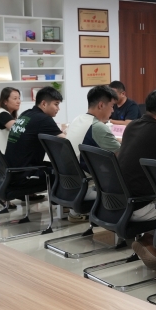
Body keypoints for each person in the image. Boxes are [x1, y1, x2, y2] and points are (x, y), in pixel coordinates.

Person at [118, 88, 156, 269]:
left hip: (119, 200)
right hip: (139, 205)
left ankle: (151, 240)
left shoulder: (132, 126)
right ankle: (151, 241)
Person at [65, 86, 121, 221]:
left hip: (68, 183)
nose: (113, 111)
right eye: (112, 106)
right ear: (101, 105)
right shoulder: (97, 127)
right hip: (87, 185)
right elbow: (121, 156)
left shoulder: (78, 119)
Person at [4, 87, 65, 182]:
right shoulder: (44, 119)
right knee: (67, 172)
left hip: (10, 171)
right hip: (25, 174)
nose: (58, 108)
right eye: (56, 104)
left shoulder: (25, 114)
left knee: (55, 166)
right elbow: (66, 141)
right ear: (44, 104)